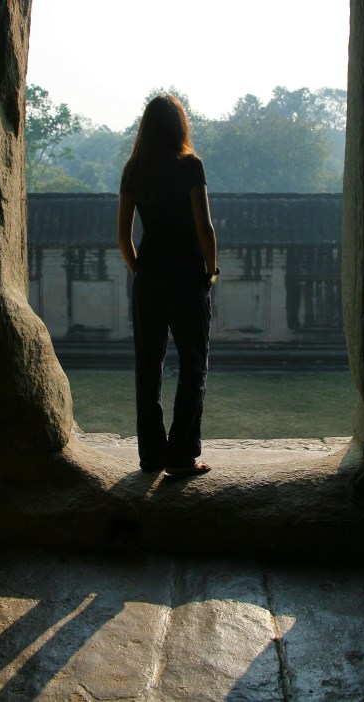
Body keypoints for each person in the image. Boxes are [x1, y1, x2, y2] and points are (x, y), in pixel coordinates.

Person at [117, 94, 219, 479]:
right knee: (193, 366)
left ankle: (151, 457)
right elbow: (204, 227)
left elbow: (124, 237)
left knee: (148, 367)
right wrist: (212, 270)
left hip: (150, 279)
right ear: (179, 126)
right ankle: (181, 456)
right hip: (187, 277)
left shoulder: (134, 170)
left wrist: (139, 272)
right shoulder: (190, 165)